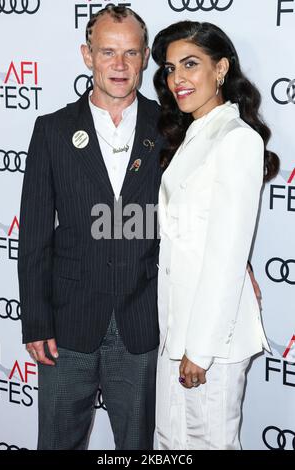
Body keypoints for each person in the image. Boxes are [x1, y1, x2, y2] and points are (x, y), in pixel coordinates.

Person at [18, 6, 163, 450]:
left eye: (131, 53)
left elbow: (197, 217)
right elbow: (35, 235)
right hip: (67, 323)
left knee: (137, 446)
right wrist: (36, 321)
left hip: (143, 321)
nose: (119, 65)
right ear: (87, 55)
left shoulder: (172, 127)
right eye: (107, 52)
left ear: (145, 58)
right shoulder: (52, 130)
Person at [152, 21, 279, 450]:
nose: (177, 80)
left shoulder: (236, 139)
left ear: (221, 68)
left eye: (191, 64)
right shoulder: (193, 133)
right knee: (172, 444)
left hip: (210, 343)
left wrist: (200, 350)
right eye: (170, 69)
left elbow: (226, 255)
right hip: (177, 329)